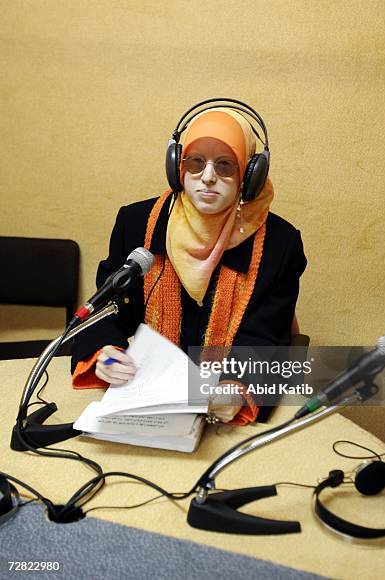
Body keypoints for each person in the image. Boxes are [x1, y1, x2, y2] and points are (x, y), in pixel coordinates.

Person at [71, 100, 307, 424]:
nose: (207, 177)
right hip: (145, 401)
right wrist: (104, 353)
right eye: (196, 162)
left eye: (225, 165)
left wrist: (236, 389)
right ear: (177, 167)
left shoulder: (279, 244)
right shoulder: (137, 223)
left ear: (250, 175)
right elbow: (106, 308)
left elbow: (268, 335)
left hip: (223, 415)